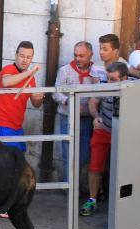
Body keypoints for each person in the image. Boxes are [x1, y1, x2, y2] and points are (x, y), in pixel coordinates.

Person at [82, 62, 128, 217]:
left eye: (113, 79)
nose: (109, 82)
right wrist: (96, 117)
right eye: (108, 78)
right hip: (103, 130)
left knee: (124, 168)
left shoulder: (132, 88)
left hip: (123, 134)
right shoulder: (104, 85)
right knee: (94, 167)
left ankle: (123, 204)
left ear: (124, 79)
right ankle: (92, 200)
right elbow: (93, 102)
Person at [52, 42, 101, 182]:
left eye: (82, 56)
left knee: (84, 154)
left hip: (86, 118)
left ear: (91, 55)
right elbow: (56, 93)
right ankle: (69, 188)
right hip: (67, 117)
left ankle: (73, 184)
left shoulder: (95, 71)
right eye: (76, 55)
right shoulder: (65, 70)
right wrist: (68, 101)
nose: (78, 58)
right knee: (68, 154)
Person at [0, 41, 44, 152]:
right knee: (11, 158)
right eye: (22, 56)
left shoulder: (31, 78)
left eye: (28, 57)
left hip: (17, 126)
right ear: (16, 56)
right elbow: (6, 82)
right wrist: (30, 72)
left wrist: (39, 98)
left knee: (18, 157)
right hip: (1, 124)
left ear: (32, 59)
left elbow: (36, 104)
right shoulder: (9, 69)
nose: (25, 60)